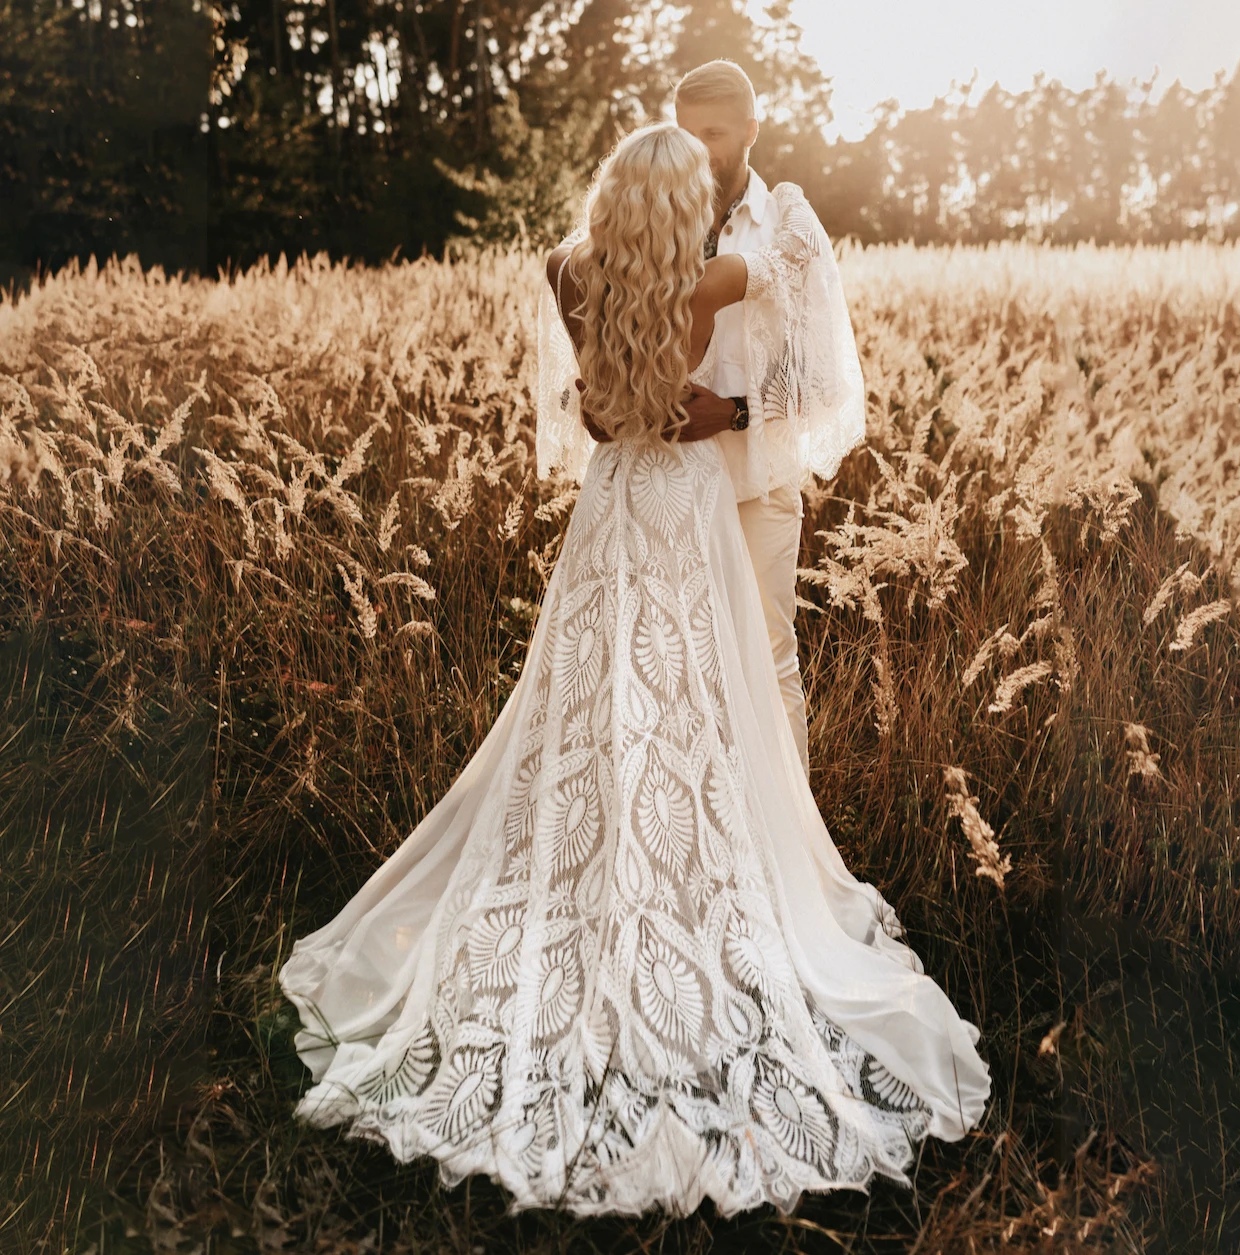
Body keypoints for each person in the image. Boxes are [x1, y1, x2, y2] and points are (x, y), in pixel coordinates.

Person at [279, 121, 991, 1219]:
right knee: (701, 698)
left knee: (590, 697)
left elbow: (593, 400)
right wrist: (742, 389)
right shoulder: (707, 283)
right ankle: (696, 875)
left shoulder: (566, 269)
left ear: (610, 195)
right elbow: (800, 262)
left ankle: (596, 856)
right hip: (689, 502)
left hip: (612, 505)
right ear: (681, 202)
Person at [560, 60, 867, 782]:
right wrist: (592, 401)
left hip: (754, 483)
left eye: (715, 134)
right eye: (684, 132)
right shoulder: (649, 215)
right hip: (662, 491)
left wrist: (733, 411)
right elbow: (592, 341)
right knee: (665, 666)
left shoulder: (786, 222)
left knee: (766, 655)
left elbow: (825, 379)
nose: (698, 150)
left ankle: (792, 836)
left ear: (752, 130)